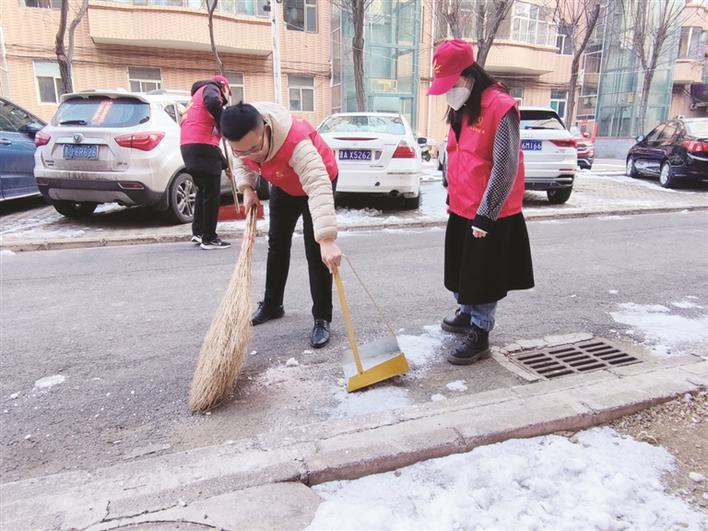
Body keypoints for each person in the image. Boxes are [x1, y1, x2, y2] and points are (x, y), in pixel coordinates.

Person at [428, 39, 534, 365]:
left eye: (452, 83)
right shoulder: (462, 109)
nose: (449, 91)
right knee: (464, 269)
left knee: (483, 274)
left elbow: (505, 167)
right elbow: (459, 156)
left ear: (470, 75)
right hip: (461, 206)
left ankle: (480, 330)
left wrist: (486, 215)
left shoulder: (500, 108)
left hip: (491, 211)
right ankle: (466, 312)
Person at [220, 102, 342, 348]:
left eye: (256, 148)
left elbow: (317, 185)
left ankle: (321, 317)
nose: (251, 155)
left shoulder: (296, 142)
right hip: (285, 185)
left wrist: (327, 239)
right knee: (276, 243)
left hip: (316, 183)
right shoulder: (241, 144)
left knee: (315, 250)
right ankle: (273, 304)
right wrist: (247, 188)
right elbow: (242, 162)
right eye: (241, 151)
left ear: (265, 128)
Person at [180, 74, 232, 250]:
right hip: (202, 147)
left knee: (203, 191)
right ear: (223, 88)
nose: (224, 99)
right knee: (212, 195)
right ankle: (209, 238)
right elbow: (213, 102)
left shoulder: (196, 97)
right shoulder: (211, 89)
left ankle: (199, 232)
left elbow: (213, 146)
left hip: (189, 148)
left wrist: (225, 165)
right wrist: (223, 121)